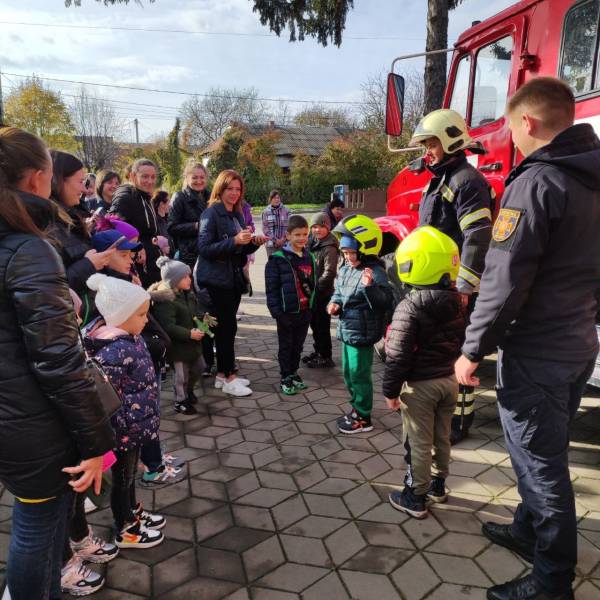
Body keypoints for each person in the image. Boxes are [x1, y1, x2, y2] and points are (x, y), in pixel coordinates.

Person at [455, 77, 600, 600]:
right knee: (543, 445)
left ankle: (551, 581)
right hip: (577, 343)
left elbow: (504, 281)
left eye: (512, 127)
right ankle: (525, 529)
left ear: (528, 122)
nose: (511, 138)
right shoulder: (591, 177)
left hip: (538, 350)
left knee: (541, 465)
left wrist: (472, 349)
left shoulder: (537, 182)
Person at [0, 126, 115, 599]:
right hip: (33, 421)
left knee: (37, 521)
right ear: (38, 177)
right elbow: (59, 361)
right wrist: (95, 442)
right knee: (37, 528)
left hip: (11, 415)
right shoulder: (29, 248)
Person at [411, 108, 494, 445]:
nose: (427, 152)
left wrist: (465, 286)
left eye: (431, 144)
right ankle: (444, 415)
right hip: (438, 285)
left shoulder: (467, 181)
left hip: (456, 288)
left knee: (456, 354)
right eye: (425, 145)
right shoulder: (441, 179)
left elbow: (478, 236)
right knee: (441, 353)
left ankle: (458, 423)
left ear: (451, 141)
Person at [383, 227, 466, 519]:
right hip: (449, 381)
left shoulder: (409, 306)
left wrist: (390, 391)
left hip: (420, 386)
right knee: (442, 435)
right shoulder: (458, 301)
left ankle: (415, 496)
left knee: (418, 441)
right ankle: (438, 485)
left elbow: (397, 355)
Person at [84, 274, 166, 549]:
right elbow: (103, 398)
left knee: (129, 477)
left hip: (135, 426)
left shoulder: (129, 338)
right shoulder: (113, 351)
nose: (146, 320)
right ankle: (126, 528)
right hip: (123, 430)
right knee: (122, 480)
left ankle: (132, 512)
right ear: (119, 316)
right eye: (141, 315)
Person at [196, 170, 267, 397]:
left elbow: (238, 250)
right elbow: (204, 249)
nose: (234, 193)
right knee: (225, 330)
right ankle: (229, 377)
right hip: (215, 281)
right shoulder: (211, 213)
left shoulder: (236, 214)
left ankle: (222, 375)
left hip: (231, 279)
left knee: (228, 328)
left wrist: (254, 243)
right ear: (220, 189)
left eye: (238, 189)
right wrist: (235, 240)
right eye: (230, 189)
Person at [329, 215, 393, 434]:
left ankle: (364, 417)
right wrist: (334, 303)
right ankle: (356, 408)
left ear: (365, 249)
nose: (348, 257)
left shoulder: (375, 272)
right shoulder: (346, 269)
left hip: (363, 333)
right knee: (349, 373)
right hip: (348, 330)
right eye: (345, 253)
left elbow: (385, 302)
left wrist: (369, 287)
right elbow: (339, 291)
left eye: (351, 253)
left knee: (359, 374)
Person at [49, 151, 116, 299]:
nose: (84, 190)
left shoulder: (70, 216)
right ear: (59, 182)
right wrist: (89, 265)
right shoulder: (46, 225)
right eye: (80, 182)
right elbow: (51, 290)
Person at [150, 257, 211, 415]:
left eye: (189, 276)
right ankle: (180, 401)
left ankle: (188, 390)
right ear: (174, 280)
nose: (189, 279)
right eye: (185, 277)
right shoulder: (166, 301)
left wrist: (203, 318)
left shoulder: (187, 294)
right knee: (181, 376)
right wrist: (189, 333)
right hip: (177, 347)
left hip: (192, 344)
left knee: (199, 367)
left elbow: (194, 312)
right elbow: (168, 326)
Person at [265, 215, 316, 395]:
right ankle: (285, 376)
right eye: (297, 235)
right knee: (286, 346)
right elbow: (271, 289)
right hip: (286, 313)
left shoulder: (309, 256)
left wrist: (311, 308)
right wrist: (277, 313)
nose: (302, 238)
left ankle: (293, 373)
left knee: (298, 346)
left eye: (305, 234)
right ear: (288, 236)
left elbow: (313, 284)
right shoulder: (277, 259)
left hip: (304, 311)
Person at [109, 158, 161, 287]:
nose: (150, 181)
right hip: (136, 265)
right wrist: (137, 246)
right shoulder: (125, 196)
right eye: (145, 176)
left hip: (151, 262)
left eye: (153, 177)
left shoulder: (145, 196)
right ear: (133, 176)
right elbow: (114, 226)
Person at [302, 212, 339, 368]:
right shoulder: (312, 242)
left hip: (322, 293)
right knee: (315, 325)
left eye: (321, 227)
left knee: (322, 326)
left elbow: (329, 272)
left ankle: (325, 356)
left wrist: (316, 289)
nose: (317, 230)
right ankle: (318, 351)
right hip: (312, 293)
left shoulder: (329, 247)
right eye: (314, 227)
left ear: (328, 228)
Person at [167, 161, 210, 268]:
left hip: (210, 251)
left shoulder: (211, 197)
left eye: (202, 177)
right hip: (189, 255)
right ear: (187, 178)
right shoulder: (179, 197)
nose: (199, 181)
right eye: (194, 178)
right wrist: (195, 226)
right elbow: (171, 228)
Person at [261, 189, 290, 257]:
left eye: (278, 198)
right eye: (274, 198)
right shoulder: (266, 212)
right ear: (270, 199)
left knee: (285, 262)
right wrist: (275, 240)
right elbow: (265, 228)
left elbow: (290, 226)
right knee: (273, 263)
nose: (276, 200)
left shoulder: (287, 210)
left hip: (285, 244)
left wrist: (283, 239)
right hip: (271, 245)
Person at [152, 190, 172, 256]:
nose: (170, 205)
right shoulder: (155, 222)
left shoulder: (168, 219)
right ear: (162, 204)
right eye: (168, 202)